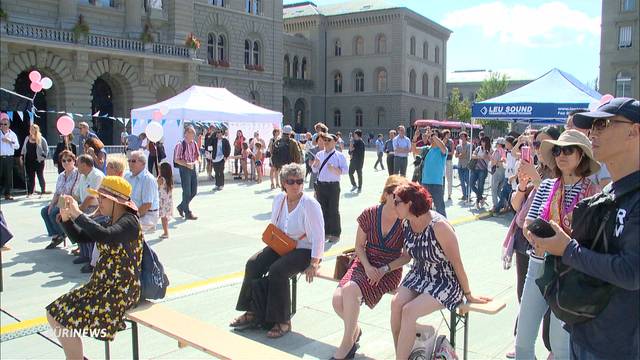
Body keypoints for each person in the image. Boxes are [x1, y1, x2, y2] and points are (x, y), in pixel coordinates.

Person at [533, 97, 639, 359]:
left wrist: (567, 249)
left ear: (634, 131)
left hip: (619, 346)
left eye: (603, 124)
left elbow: (632, 272)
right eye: (592, 126)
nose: (593, 132)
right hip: (586, 334)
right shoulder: (610, 192)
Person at [516, 130, 601, 360]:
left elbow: (591, 239)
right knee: (522, 343)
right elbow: (527, 223)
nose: (561, 155)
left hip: (569, 272)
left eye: (568, 150)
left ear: (582, 156)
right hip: (538, 265)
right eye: (557, 150)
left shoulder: (593, 194)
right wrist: (536, 237)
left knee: (560, 346)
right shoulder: (545, 186)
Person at [46, 176, 143, 359]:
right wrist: (66, 220)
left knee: (60, 317)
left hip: (120, 290)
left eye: (102, 197)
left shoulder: (130, 222)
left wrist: (78, 214)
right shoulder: (111, 220)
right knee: (55, 315)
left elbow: (106, 236)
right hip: (102, 286)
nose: (99, 201)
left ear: (116, 201)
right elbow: (81, 237)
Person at [390, 183, 490, 360]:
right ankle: (402, 354)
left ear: (410, 204)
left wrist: (468, 294)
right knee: (397, 304)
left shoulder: (439, 227)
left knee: (409, 311)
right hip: (419, 275)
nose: (393, 204)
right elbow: (406, 256)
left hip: (445, 281)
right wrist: (383, 268)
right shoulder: (406, 223)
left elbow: (457, 263)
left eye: (397, 201)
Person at [230, 163, 324, 338]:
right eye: (291, 181)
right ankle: (251, 312)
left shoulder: (310, 204)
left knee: (277, 271)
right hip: (283, 245)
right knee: (253, 264)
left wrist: (314, 263)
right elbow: (275, 226)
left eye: (299, 181)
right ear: (283, 183)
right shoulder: (279, 199)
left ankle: (283, 320)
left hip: (305, 250)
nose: (296, 185)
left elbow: (319, 235)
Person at [332, 176, 409, 359]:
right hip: (365, 262)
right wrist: (367, 266)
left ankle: (346, 345)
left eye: (403, 198)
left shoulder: (404, 220)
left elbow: (406, 256)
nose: (401, 201)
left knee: (350, 290)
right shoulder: (370, 213)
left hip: (388, 270)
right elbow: (359, 246)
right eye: (397, 196)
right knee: (337, 300)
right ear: (387, 194)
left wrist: (383, 269)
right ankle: (354, 331)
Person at [69, 154, 105, 272]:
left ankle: (90, 256)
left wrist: (78, 210)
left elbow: (92, 197)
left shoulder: (97, 176)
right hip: (84, 207)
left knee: (84, 222)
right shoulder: (83, 176)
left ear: (84, 165)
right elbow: (77, 194)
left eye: (77, 163)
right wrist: (70, 202)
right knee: (66, 219)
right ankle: (83, 253)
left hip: (95, 207)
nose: (76, 166)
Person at [312, 133, 348, 242]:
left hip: (333, 186)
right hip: (321, 185)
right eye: (325, 140)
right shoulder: (319, 154)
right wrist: (315, 165)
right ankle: (325, 232)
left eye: (329, 140)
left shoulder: (339, 155)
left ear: (335, 142)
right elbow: (314, 170)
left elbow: (346, 170)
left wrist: (336, 170)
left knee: (333, 209)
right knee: (322, 210)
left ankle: (335, 233)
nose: (326, 142)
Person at [41, 150, 79, 250]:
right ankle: (56, 235)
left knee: (54, 213)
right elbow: (57, 192)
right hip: (61, 200)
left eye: (69, 160)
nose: (66, 163)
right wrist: (51, 204)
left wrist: (59, 205)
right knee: (45, 211)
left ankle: (63, 233)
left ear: (74, 161)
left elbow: (74, 194)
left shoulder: (77, 174)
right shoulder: (61, 175)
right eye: (64, 160)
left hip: (71, 201)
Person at [413, 128, 448, 217]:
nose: (431, 137)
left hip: (437, 183)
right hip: (425, 182)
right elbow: (414, 150)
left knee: (440, 208)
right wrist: (415, 138)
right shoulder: (426, 149)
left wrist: (433, 135)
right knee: (426, 207)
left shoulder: (442, 150)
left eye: (434, 135)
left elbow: (443, 147)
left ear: (439, 138)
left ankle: (444, 227)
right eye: (430, 136)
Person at [124, 150, 159, 232]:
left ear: (143, 163)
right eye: (129, 161)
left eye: (133, 161)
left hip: (148, 215)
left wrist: (131, 218)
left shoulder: (148, 179)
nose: (130, 163)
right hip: (131, 213)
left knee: (127, 230)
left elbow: (147, 205)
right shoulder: (127, 176)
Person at [174, 126, 199, 220]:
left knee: (194, 191)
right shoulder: (180, 145)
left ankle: (181, 206)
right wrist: (186, 164)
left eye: (194, 132)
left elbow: (197, 155)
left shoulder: (194, 143)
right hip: (184, 169)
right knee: (187, 192)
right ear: (186, 133)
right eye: (191, 132)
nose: (193, 134)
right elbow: (176, 159)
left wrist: (196, 161)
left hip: (193, 168)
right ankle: (187, 212)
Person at [20, 124, 49, 197]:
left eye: (33, 129)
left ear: (36, 130)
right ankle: (30, 192)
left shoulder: (41, 139)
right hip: (29, 161)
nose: (31, 130)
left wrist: (42, 158)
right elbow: (24, 148)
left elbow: (46, 150)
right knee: (31, 177)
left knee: (40, 176)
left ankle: (43, 191)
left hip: (38, 161)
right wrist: (21, 156)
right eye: (30, 129)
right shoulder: (27, 138)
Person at [469, 136, 492, 209]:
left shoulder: (490, 150)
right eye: (482, 141)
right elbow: (472, 156)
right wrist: (480, 157)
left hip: (483, 169)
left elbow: (491, 158)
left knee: (480, 185)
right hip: (475, 168)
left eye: (484, 141)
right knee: (471, 183)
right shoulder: (478, 148)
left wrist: (488, 155)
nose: (482, 143)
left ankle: (478, 201)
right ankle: (481, 198)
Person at [490, 138, 507, 213]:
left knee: (494, 189)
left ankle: (496, 206)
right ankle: (505, 203)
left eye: (497, 143)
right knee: (499, 190)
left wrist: (494, 161)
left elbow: (494, 162)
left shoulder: (497, 151)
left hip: (497, 171)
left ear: (499, 144)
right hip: (504, 172)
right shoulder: (506, 151)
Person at [158, 161, 173, 239]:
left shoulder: (161, 179)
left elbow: (157, 186)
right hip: (168, 201)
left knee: (163, 217)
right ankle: (166, 231)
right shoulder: (169, 179)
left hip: (162, 201)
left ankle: (165, 232)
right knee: (165, 217)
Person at [454, 132, 472, 201]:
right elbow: (456, 155)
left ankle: (468, 195)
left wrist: (460, 155)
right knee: (462, 182)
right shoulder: (458, 146)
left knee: (468, 181)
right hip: (460, 166)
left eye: (462, 136)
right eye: (460, 136)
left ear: (465, 137)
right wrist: (461, 155)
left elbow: (467, 155)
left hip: (466, 166)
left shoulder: (469, 145)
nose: (461, 138)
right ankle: (464, 195)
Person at [442, 130, 454, 200]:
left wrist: (445, 152)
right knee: (442, 177)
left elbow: (452, 152)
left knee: (449, 178)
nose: (448, 135)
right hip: (442, 161)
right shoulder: (441, 141)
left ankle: (449, 194)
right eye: (447, 134)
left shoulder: (451, 142)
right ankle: (442, 193)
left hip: (449, 160)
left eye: (449, 134)